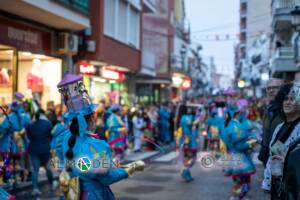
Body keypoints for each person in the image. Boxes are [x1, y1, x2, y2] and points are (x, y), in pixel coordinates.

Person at [52, 74, 144, 199]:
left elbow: (70, 163)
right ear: (91, 119)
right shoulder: (95, 145)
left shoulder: (64, 138)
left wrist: (110, 164)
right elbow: (106, 178)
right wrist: (130, 168)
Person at [262, 83, 300, 199]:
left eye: (292, 99)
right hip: (278, 188)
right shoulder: (279, 127)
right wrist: (267, 183)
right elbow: (271, 156)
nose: (287, 102)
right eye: (285, 99)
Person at [222, 105, 256, 200]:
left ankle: (237, 196)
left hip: (232, 155)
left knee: (238, 180)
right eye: (239, 112)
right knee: (242, 181)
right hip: (239, 157)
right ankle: (236, 197)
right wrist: (251, 143)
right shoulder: (235, 126)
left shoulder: (227, 124)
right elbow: (240, 145)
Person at [26, 109, 55, 196]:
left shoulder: (30, 125)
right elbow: (51, 135)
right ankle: (51, 185)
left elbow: (29, 137)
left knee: (35, 170)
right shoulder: (48, 124)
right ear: (43, 114)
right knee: (48, 168)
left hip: (34, 149)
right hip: (45, 149)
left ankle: (35, 189)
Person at [259, 78, 284, 169]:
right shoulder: (269, 108)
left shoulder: (287, 106)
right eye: (268, 88)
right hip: (268, 154)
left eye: (275, 87)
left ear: (281, 89)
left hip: (281, 154)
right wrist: (263, 149)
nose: (271, 90)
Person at [176, 105, 199, 182]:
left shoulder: (182, 117)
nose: (189, 109)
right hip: (188, 141)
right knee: (192, 158)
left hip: (185, 140)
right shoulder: (186, 118)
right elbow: (187, 129)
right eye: (188, 108)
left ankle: (187, 174)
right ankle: (185, 171)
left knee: (187, 158)